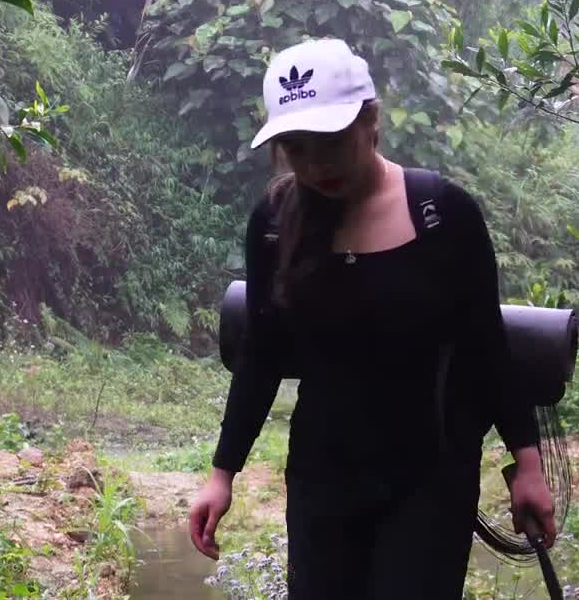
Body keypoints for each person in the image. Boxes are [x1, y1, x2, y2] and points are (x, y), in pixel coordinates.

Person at [187, 38, 557, 598]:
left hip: (430, 478)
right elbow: (262, 352)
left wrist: (526, 464)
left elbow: (487, 346)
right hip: (322, 479)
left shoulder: (443, 214)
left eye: (330, 142)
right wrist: (222, 474)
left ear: (371, 119)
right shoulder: (274, 220)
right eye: (296, 147)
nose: (314, 165)